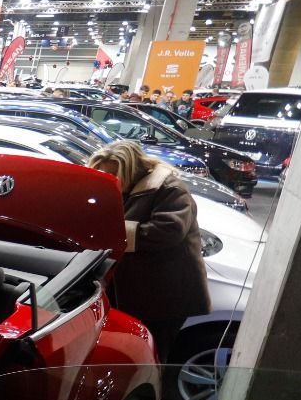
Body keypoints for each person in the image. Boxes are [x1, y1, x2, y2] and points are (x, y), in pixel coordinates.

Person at [88, 140, 210, 364]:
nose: (111, 179)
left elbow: (169, 230)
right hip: (143, 293)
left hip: (166, 298)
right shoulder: (128, 186)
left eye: (115, 173)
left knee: (153, 357)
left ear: (131, 168)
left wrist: (116, 232)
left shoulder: (169, 188)